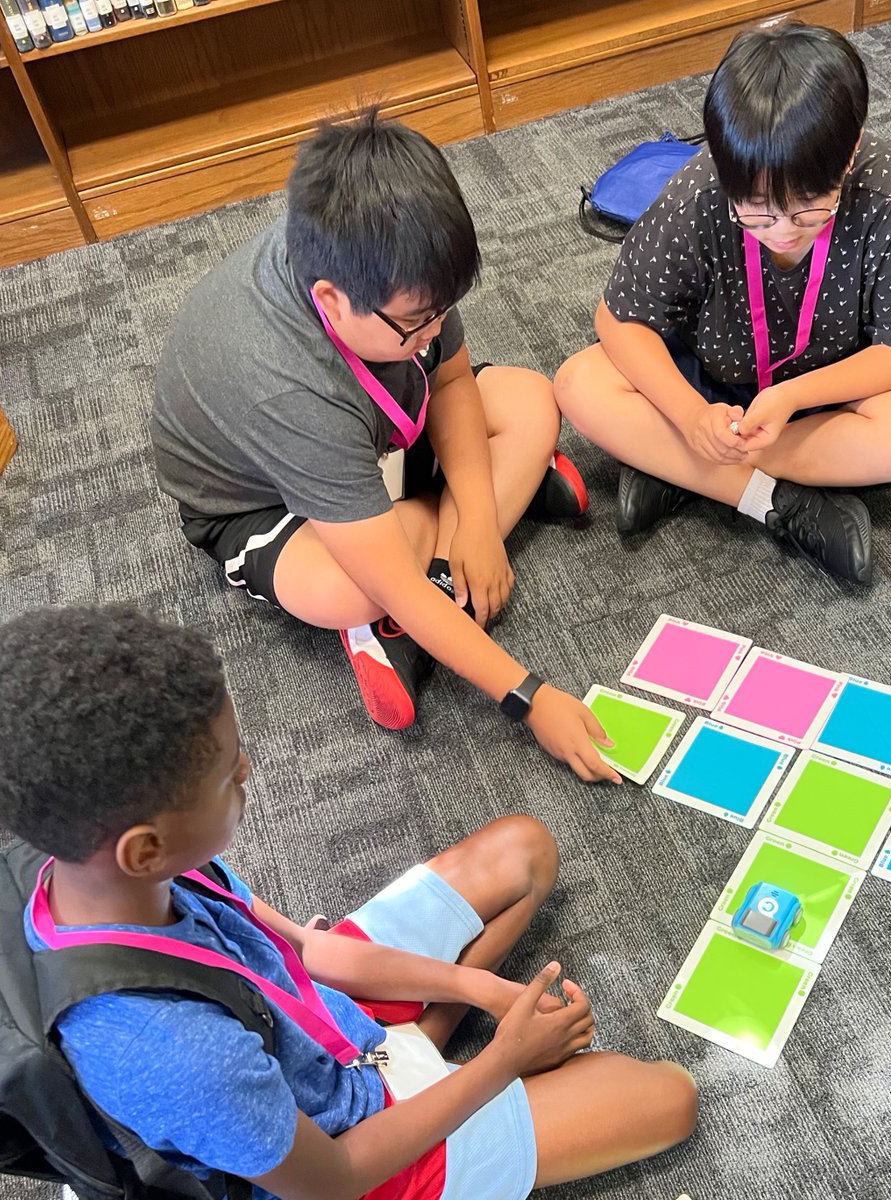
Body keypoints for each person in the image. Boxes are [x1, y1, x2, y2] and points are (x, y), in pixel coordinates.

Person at [0, 606, 698, 1200]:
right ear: (144, 848)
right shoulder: (178, 1051)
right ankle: (434, 1064)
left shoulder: (109, 866)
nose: (248, 768)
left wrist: (474, 987)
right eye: (228, 776)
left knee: (524, 850)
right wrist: (504, 1061)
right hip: (349, 1156)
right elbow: (335, 1180)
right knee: (670, 1098)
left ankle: (424, 1048)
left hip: (314, 1023)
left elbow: (306, 950)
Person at [151, 106, 618, 784]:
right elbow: (389, 580)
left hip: (377, 430)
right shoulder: (285, 385)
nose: (434, 330)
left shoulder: (396, 262)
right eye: (416, 322)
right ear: (331, 300)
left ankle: (439, 572)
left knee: (528, 397)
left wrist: (478, 523)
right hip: (264, 504)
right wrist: (530, 698)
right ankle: (424, 584)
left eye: (441, 311)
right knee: (352, 592)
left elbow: (451, 379)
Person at [555, 23, 891, 586]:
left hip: (828, 395)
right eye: (758, 213)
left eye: (809, 208)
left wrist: (792, 396)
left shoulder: (886, 191)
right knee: (578, 382)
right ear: (724, 166)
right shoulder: (699, 191)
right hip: (708, 381)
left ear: (850, 153)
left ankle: (677, 467)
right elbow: (617, 319)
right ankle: (776, 501)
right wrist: (691, 417)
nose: (784, 232)